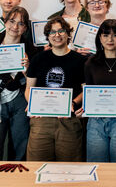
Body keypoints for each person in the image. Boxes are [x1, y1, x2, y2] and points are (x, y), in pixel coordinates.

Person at [0, 6, 36, 160]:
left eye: (21, 24)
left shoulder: (31, 50)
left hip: (20, 101)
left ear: (25, 28)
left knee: (20, 152)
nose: (15, 27)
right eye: (12, 21)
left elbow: (33, 83)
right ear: (5, 22)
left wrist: (28, 69)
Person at [75, 19, 116, 162]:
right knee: (97, 166)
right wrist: (83, 109)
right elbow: (88, 92)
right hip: (96, 122)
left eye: (115, 35)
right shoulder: (90, 63)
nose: (110, 39)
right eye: (105, 35)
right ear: (99, 38)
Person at [25, 17, 86, 161]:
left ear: (68, 34)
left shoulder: (79, 60)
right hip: (41, 120)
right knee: (36, 165)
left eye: (61, 31)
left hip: (68, 120)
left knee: (69, 169)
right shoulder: (38, 59)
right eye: (52, 32)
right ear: (47, 36)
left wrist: (74, 103)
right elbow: (29, 88)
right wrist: (33, 104)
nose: (57, 35)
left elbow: (86, 90)